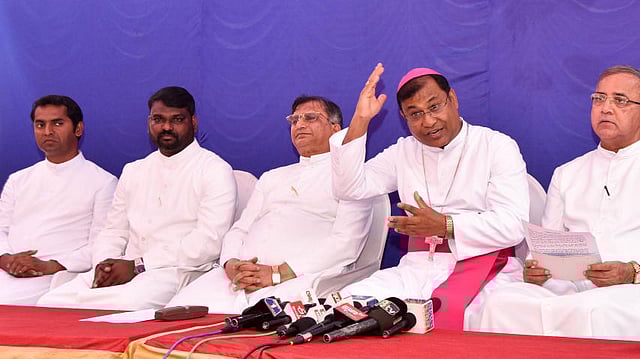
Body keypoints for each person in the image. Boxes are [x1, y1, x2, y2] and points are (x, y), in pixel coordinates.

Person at [477, 66, 640, 339]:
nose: (606, 108)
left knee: (591, 310)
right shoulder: (567, 173)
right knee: (501, 302)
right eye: (599, 99)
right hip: (568, 284)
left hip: (638, 287)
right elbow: (546, 243)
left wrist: (631, 270)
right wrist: (536, 267)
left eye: (620, 100)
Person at [330, 64, 529, 330]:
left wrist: (447, 226)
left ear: (453, 99)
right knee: (348, 305)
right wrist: (361, 120)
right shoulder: (403, 151)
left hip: (487, 267)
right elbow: (350, 189)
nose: (428, 121)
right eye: (416, 114)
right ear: (404, 117)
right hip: (416, 269)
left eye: (435, 107)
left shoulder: (496, 146)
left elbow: (513, 225)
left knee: (479, 316)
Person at [166, 96, 375, 313]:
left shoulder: (353, 178)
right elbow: (240, 229)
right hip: (237, 280)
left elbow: (346, 244)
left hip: (298, 280)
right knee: (175, 313)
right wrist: (231, 263)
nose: (300, 125)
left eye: (310, 118)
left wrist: (278, 273)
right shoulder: (272, 177)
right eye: (294, 120)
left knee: (252, 325)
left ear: (335, 129)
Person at [38, 86, 236, 310]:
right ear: (149, 122)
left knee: (123, 304)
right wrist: (105, 264)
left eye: (177, 119)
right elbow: (113, 230)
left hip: (176, 271)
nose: (167, 127)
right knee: (49, 303)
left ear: (194, 122)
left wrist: (139, 265)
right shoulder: (134, 170)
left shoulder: (214, 170)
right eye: (158, 120)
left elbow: (208, 242)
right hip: (124, 269)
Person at [0, 95, 116, 305]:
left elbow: (102, 244)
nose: (47, 132)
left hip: (57, 276)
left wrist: (50, 265)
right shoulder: (18, 180)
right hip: (8, 270)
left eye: (57, 123)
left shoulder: (103, 182)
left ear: (78, 129)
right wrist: (7, 260)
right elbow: (1, 229)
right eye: (40, 125)